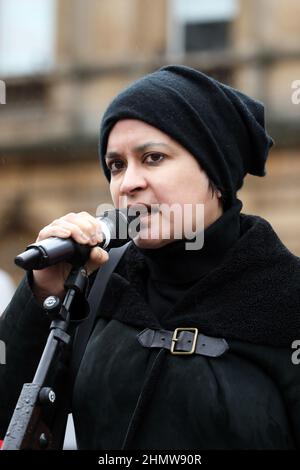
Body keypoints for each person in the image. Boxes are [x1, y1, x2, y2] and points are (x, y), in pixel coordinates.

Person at [1, 64, 300, 450]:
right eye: (116, 165)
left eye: (153, 158)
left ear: (215, 171)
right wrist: (41, 295)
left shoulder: (287, 295)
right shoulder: (98, 284)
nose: (128, 184)